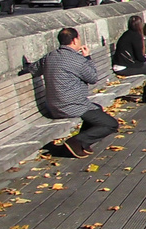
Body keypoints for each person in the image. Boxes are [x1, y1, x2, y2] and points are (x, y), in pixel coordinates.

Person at [36, 27, 118, 157]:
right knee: (111, 124)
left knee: (97, 108)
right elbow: (92, 78)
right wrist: (88, 58)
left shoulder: (50, 56)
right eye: (79, 39)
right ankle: (77, 141)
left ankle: (82, 144)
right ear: (74, 41)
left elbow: (33, 69)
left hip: (54, 105)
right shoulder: (77, 60)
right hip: (72, 106)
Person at [111, 13, 146, 103]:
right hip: (125, 67)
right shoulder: (136, 36)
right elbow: (139, 57)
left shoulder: (126, 34)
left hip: (121, 64)